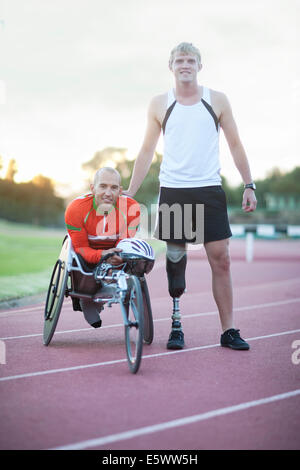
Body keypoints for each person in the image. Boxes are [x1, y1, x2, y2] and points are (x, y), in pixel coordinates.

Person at [125, 42, 257, 350]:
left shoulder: (217, 100)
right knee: (175, 260)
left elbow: (236, 144)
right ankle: (176, 323)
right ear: (170, 66)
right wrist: (130, 192)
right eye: (180, 60)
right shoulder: (160, 103)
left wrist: (249, 184)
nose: (185, 65)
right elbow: (146, 150)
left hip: (209, 189)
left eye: (191, 60)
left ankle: (229, 330)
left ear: (200, 66)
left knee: (221, 260)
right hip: (175, 190)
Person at [65, 167, 140, 328]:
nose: (108, 192)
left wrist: (117, 255)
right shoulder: (76, 209)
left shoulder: (132, 208)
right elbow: (81, 248)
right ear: (93, 188)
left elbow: (125, 242)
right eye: (103, 186)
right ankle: (87, 299)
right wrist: (102, 254)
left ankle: (119, 290)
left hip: (115, 251)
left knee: (138, 256)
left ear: (120, 191)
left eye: (113, 188)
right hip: (87, 253)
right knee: (79, 261)